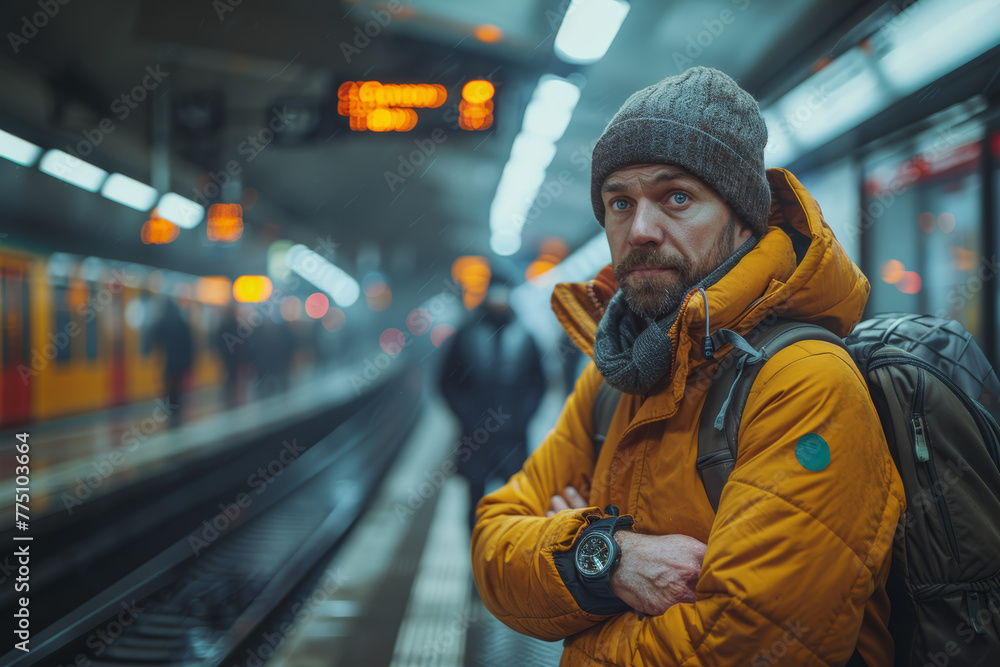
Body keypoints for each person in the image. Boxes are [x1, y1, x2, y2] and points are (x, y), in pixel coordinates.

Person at [470, 67, 905, 665]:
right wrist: (608, 557)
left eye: (676, 197)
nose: (640, 230)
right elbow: (492, 543)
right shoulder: (613, 377)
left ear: (742, 218)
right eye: (619, 202)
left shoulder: (804, 382)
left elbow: (746, 649)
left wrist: (567, 561)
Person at [438, 273, 547, 533]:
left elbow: (538, 384)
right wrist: (466, 416)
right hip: (476, 437)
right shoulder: (465, 335)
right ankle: (476, 565)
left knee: (517, 505)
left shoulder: (525, 336)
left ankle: (505, 563)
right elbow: (446, 382)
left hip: (513, 437)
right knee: (475, 504)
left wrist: (523, 417)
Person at [151, 298, 193, 427]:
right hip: (179, 361)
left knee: (169, 386)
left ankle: (170, 411)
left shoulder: (163, 320)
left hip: (168, 361)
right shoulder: (181, 321)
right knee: (178, 386)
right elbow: (189, 343)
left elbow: (154, 336)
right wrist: (188, 363)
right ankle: (177, 411)